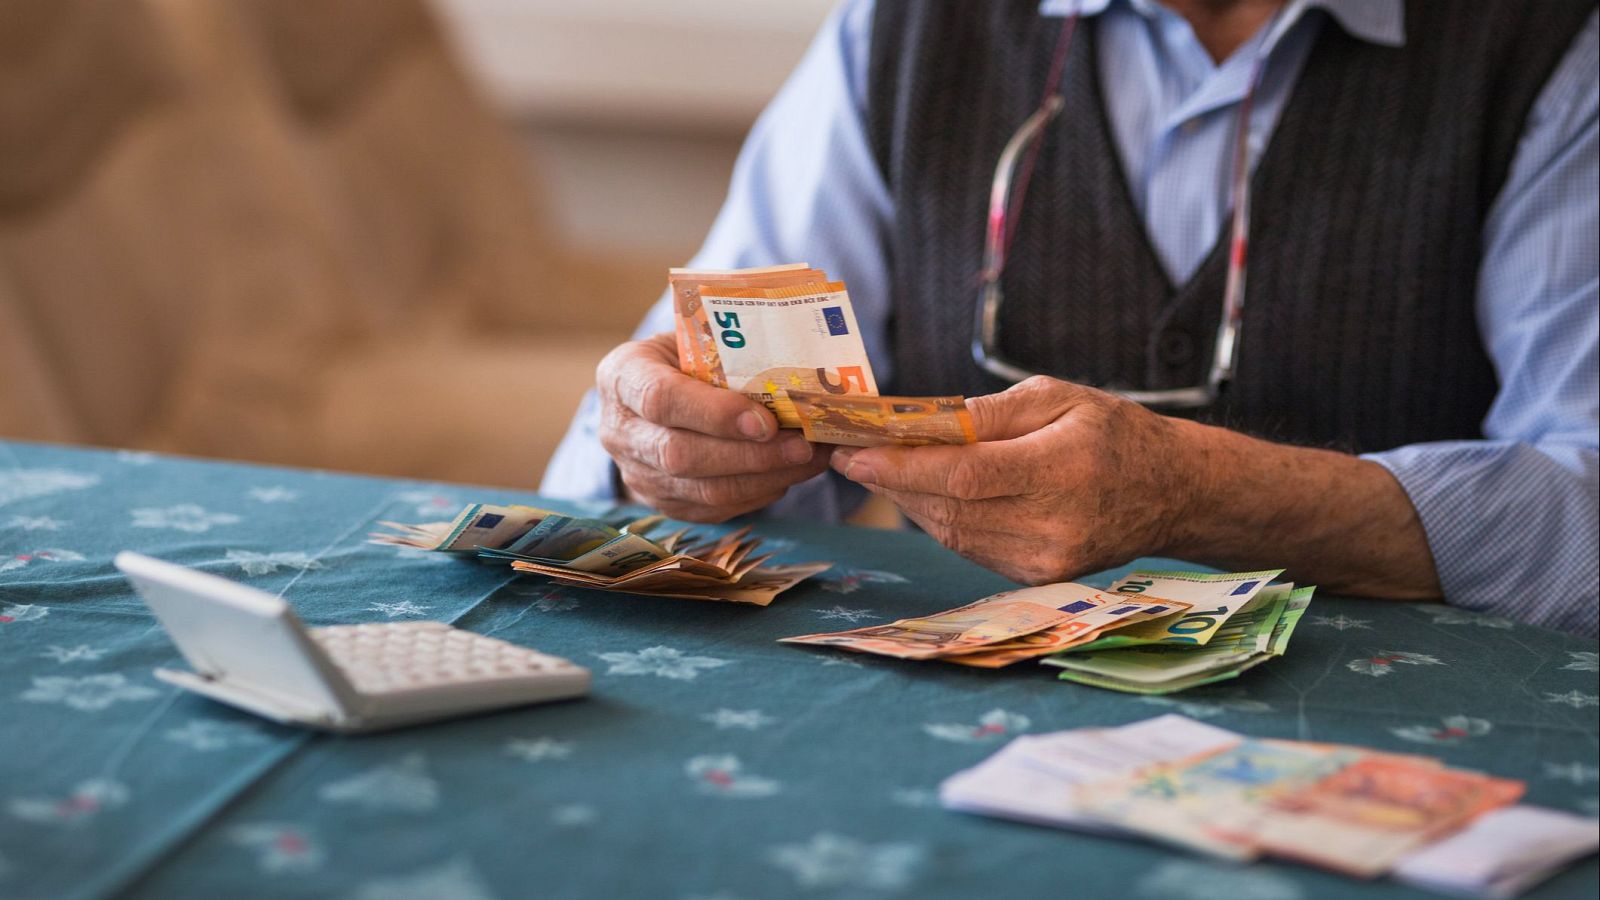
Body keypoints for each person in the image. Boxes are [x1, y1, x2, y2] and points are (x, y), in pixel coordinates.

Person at [544, 0, 1599, 637]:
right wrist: (663, 453)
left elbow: (1585, 495)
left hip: (1386, 712)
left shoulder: (1550, 41)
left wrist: (1202, 494)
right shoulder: (907, 26)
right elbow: (692, 407)